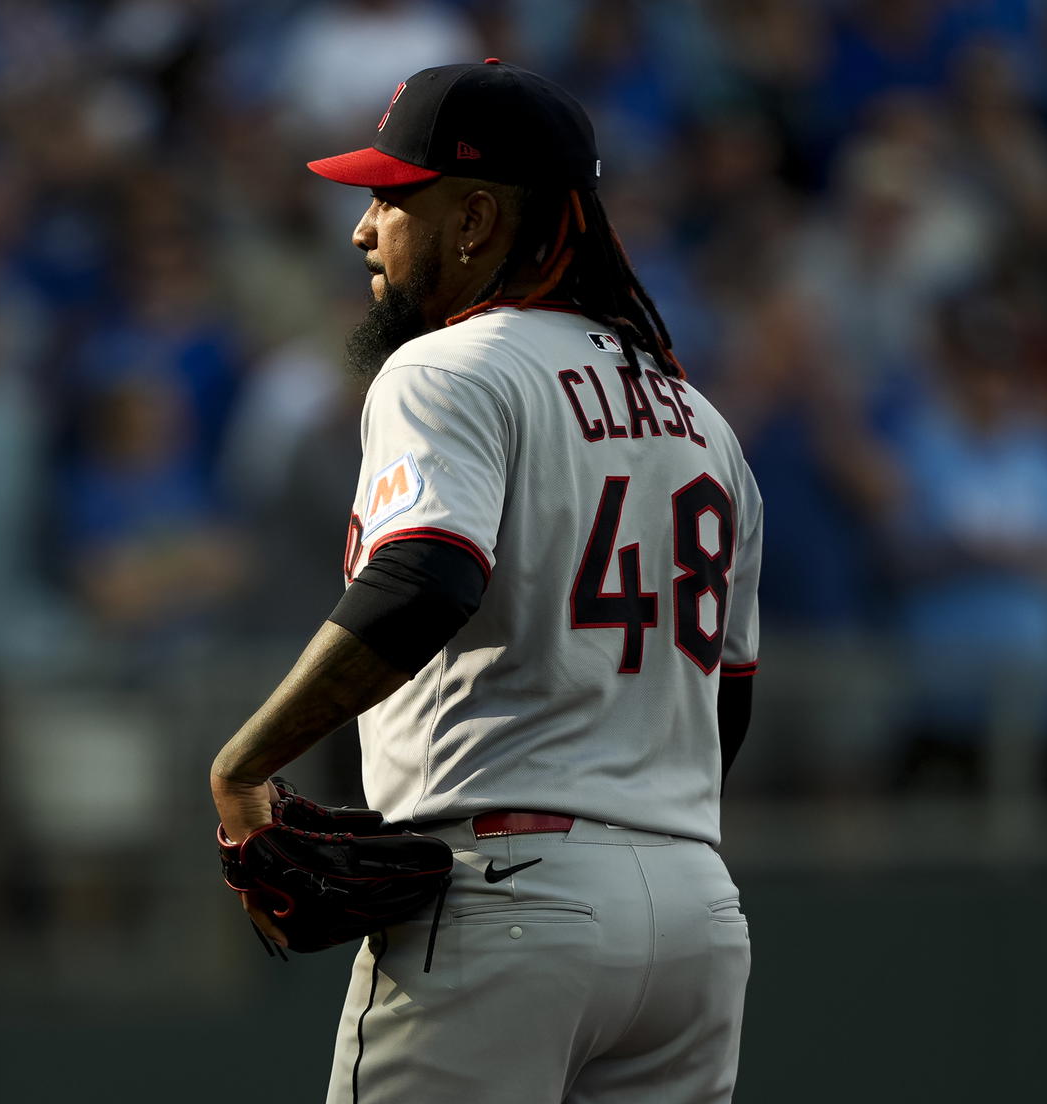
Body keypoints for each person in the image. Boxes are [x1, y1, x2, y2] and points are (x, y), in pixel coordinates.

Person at [210, 61, 761, 1103]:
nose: (363, 231)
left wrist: (244, 765)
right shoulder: (703, 424)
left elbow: (424, 578)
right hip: (694, 916)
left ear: (470, 220)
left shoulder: (448, 368)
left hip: (506, 895)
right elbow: (721, 703)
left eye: (388, 197)